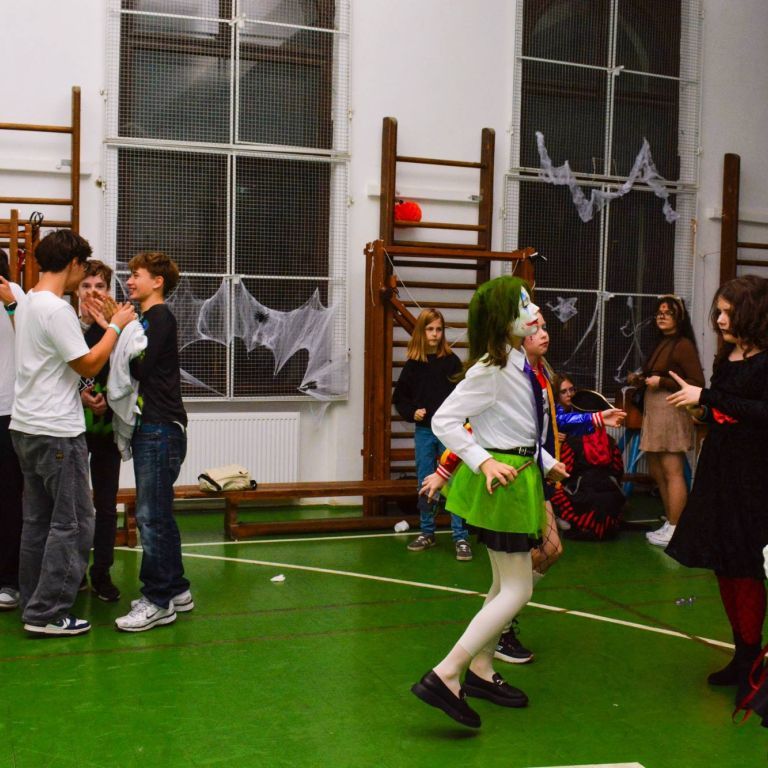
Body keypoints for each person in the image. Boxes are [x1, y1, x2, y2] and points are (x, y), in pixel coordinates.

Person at [410, 277, 568, 729]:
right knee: (519, 590)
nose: (534, 311)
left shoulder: (517, 364)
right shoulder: (491, 369)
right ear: (502, 319)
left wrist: (547, 462)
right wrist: (482, 462)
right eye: (524, 305)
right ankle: (446, 674)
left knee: (503, 587)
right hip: (504, 486)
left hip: (520, 477)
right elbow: (444, 421)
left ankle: (479, 670)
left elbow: (516, 429)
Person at [8, 230, 135, 636]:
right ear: (74, 264)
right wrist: (116, 327)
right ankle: (48, 613)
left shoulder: (28, 301)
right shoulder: (57, 309)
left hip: (26, 426)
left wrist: (78, 392)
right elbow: (89, 364)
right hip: (56, 432)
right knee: (75, 523)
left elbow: (50, 365)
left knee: (38, 522)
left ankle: (34, 601)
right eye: (84, 269)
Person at [665, 275, 768, 706]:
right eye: (719, 311)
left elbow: (760, 412)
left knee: (746, 566)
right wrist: (701, 408)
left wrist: (708, 397)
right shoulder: (729, 355)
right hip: (720, 471)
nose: (720, 319)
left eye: (729, 311)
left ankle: (754, 662)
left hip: (754, 477)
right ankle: (743, 655)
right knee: (724, 564)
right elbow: (724, 409)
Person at [115, 251, 193, 633]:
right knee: (159, 513)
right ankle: (177, 589)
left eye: (137, 275)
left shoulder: (159, 317)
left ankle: (158, 601)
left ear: (157, 281)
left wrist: (116, 333)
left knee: (150, 516)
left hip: (159, 428)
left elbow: (139, 367)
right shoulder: (149, 318)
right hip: (158, 428)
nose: (130, 281)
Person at [392, 308, 471, 560]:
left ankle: (460, 536)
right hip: (425, 432)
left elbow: (464, 394)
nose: (435, 334)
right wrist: (412, 412)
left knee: (454, 481)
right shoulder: (413, 365)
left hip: (450, 432)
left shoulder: (452, 362)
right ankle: (427, 532)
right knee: (425, 480)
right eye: (430, 329)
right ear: (421, 332)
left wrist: (462, 422)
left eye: (439, 329)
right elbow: (400, 399)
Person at [627, 295, 703, 547]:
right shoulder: (662, 342)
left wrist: (663, 382)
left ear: (679, 318)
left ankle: (677, 527)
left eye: (668, 313)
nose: (661, 317)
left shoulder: (683, 345)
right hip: (655, 411)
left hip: (671, 411)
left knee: (672, 471)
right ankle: (671, 521)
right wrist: (640, 379)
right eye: (659, 312)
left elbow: (697, 382)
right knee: (658, 471)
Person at [77, 261, 123, 602]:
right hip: (73, 429)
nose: (93, 292)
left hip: (107, 429)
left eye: (99, 286)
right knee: (74, 506)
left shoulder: (118, 329)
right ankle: (75, 571)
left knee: (106, 505)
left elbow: (130, 372)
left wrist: (109, 399)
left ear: (108, 291)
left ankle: (102, 573)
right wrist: (80, 394)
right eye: (86, 286)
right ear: (76, 290)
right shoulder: (67, 325)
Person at [550, 387, 626, 541]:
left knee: (551, 489)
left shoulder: (571, 442)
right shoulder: (611, 441)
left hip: (582, 500)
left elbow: (564, 472)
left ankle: (569, 521)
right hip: (610, 501)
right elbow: (619, 470)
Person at [0, 251, 25, 611]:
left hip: (9, 413)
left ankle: (9, 579)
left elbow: (32, 339)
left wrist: (10, 304)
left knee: (8, 499)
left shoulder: (17, 296)